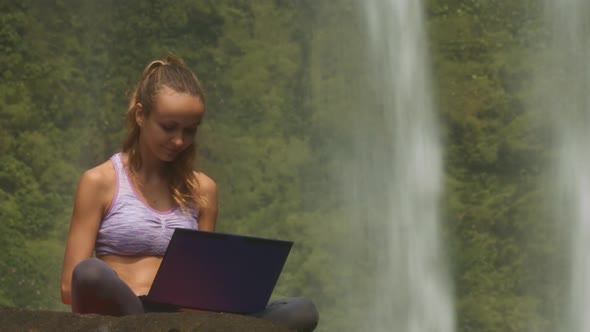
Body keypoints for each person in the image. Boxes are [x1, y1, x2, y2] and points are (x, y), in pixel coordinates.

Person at [60, 54, 319, 331]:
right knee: (89, 273)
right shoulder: (100, 182)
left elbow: (202, 284)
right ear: (140, 115)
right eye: (168, 128)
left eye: (190, 131)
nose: (179, 141)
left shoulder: (203, 190)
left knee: (301, 310)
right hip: (126, 312)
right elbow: (68, 287)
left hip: (184, 318)